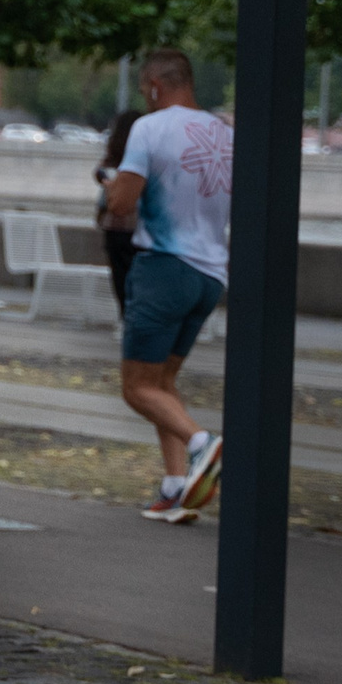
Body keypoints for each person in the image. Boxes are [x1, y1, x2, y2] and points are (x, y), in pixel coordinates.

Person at [104, 49, 232, 525]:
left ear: (155, 84)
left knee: (136, 387)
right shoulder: (224, 132)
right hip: (209, 275)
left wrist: (109, 184)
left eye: (144, 90)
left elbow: (121, 203)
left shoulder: (150, 128)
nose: (146, 98)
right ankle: (177, 487)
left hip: (163, 268)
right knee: (163, 382)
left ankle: (204, 445)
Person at [96, 108, 142, 311]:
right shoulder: (143, 157)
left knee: (121, 282)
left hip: (114, 228)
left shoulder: (114, 162)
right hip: (141, 227)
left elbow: (105, 200)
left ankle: (127, 321)